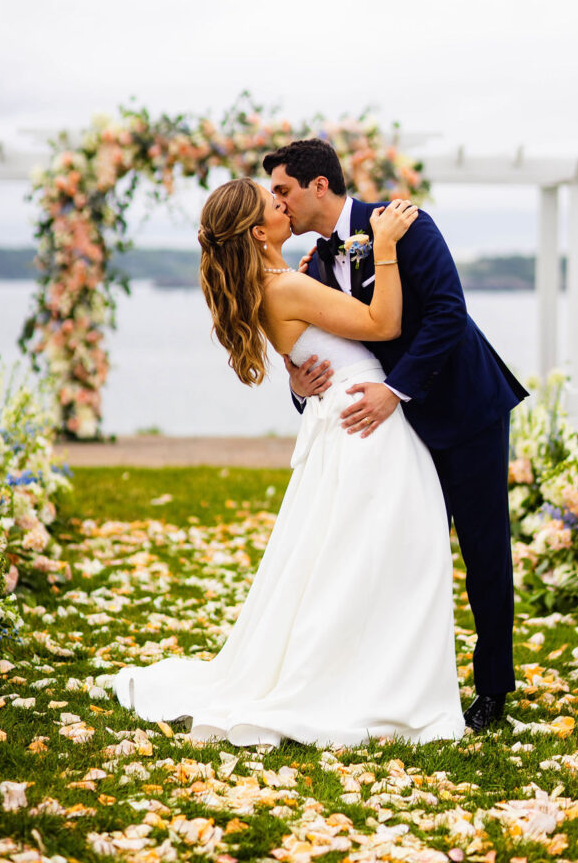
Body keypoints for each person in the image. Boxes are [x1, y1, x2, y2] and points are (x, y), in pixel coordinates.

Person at [112, 176, 466, 747]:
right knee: (392, 559)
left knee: (355, 561)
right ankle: (377, 683)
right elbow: (384, 325)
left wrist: (302, 376)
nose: (283, 204)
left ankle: (379, 671)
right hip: (365, 422)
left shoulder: (273, 283)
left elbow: (315, 351)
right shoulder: (285, 287)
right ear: (258, 231)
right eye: (271, 203)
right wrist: (385, 250)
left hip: (343, 421)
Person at [263, 139, 529, 733]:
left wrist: (395, 391)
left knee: (484, 551)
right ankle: (402, 681)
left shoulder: (402, 225)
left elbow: (446, 313)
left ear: (319, 186)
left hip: (464, 409)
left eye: (282, 189)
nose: (277, 202)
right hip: (393, 435)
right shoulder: (309, 265)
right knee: (403, 553)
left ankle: (491, 691)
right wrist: (303, 384)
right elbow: (331, 345)